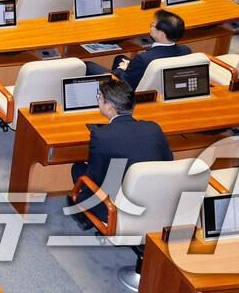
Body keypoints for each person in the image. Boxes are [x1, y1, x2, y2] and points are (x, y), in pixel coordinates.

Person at [69, 80, 172, 224]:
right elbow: (168, 162)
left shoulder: (101, 136)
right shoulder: (153, 128)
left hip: (118, 209)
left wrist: (81, 200)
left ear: (109, 106)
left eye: (100, 98)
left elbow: (94, 178)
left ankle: (87, 216)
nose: (98, 100)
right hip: (156, 203)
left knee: (78, 169)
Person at [86, 10, 190, 88]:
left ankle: (112, 96)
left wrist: (122, 69)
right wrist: (130, 66)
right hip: (160, 84)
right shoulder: (186, 51)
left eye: (152, 25)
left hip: (132, 90)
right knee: (120, 58)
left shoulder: (143, 59)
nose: (150, 27)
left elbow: (127, 83)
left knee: (88, 65)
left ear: (162, 34)